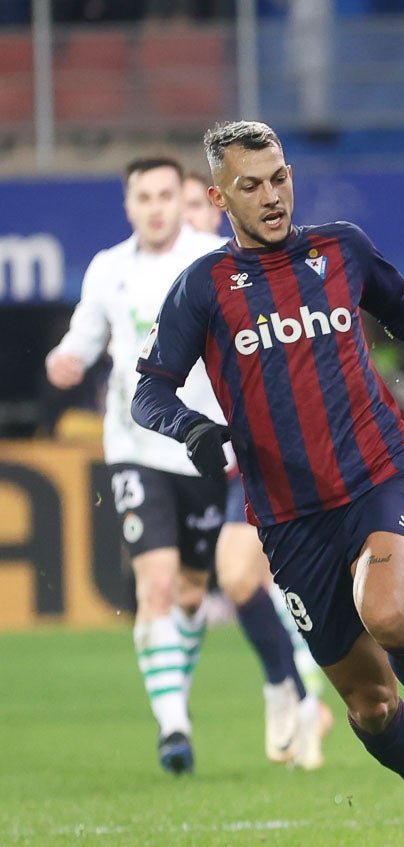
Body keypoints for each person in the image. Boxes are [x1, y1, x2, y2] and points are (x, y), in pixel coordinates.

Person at [132, 120, 404, 847]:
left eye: (279, 176)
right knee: (371, 707)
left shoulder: (339, 248)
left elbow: (402, 308)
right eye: (250, 184)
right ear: (218, 198)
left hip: (379, 473)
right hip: (289, 518)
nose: (272, 194)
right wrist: (189, 428)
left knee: (387, 609)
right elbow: (150, 387)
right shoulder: (203, 288)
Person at [46, 156, 227, 775]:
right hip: (134, 445)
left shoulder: (215, 259)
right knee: (153, 584)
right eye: (143, 197)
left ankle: (175, 689)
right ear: (128, 206)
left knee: (190, 591)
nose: (154, 206)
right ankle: (173, 724)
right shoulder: (107, 269)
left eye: (164, 195)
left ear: (184, 200)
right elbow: (84, 336)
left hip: (203, 446)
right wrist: (65, 359)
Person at [182, 168, 332, 768]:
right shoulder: (179, 284)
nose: (189, 214)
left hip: (281, 446)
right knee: (236, 580)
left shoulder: (248, 270)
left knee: (282, 583)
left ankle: (313, 698)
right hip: (211, 451)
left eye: (195, 202)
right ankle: (293, 693)